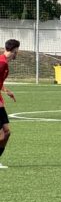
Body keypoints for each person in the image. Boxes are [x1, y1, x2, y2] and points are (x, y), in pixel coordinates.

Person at [0, 39, 19, 169]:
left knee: (6, 132)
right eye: (18, 50)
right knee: (4, 133)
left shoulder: (4, 62)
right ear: (14, 50)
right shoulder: (2, 63)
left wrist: (7, 91)